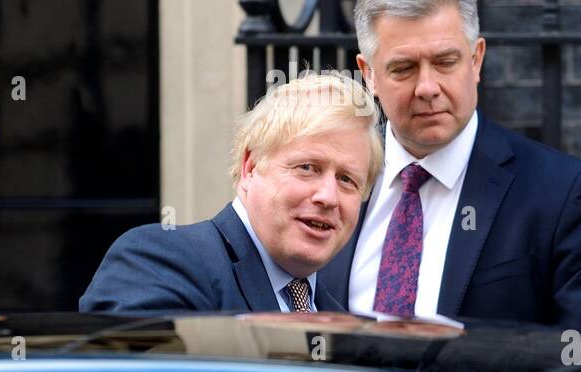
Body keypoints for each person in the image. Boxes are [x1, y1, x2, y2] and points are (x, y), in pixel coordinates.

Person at [317, 0, 581, 329]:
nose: (427, 88)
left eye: (445, 62)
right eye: (403, 68)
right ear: (369, 74)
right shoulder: (331, 178)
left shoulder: (560, 195)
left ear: (476, 60)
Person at [80, 71, 383, 314]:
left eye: (347, 179)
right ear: (250, 167)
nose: (328, 197)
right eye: (307, 168)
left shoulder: (338, 321)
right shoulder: (161, 262)